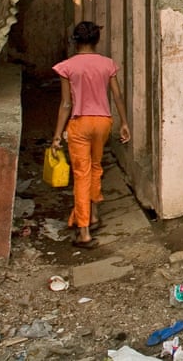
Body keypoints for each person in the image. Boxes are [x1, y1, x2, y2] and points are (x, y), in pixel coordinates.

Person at [52, 21, 131, 248]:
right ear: (96, 40)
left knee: (81, 174)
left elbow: (66, 104)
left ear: (75, 41)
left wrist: (58, 134)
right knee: (96, 167)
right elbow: (117, 96)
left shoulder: (67, 67)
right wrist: (124, 123)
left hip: (80, 123)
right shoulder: (107, 64)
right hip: (103, 122)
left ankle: (84, 230)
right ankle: (94, 213)